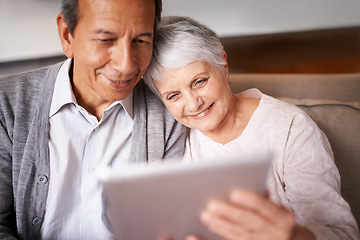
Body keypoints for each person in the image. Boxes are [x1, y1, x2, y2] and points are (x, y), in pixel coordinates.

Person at [144, 16, 360, 240]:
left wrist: (291, 236)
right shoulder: (171, 141)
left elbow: (343, 234)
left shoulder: (290, 127)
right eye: (173, 96)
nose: (192, 104)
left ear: (223, 65)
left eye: (199, 82)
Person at [0, 0, 186, 239]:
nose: (126, 64)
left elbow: (169, 223)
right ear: (67, 36)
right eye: (106, 40)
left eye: (141, 41)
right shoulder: (6, 105)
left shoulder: (170, 112)